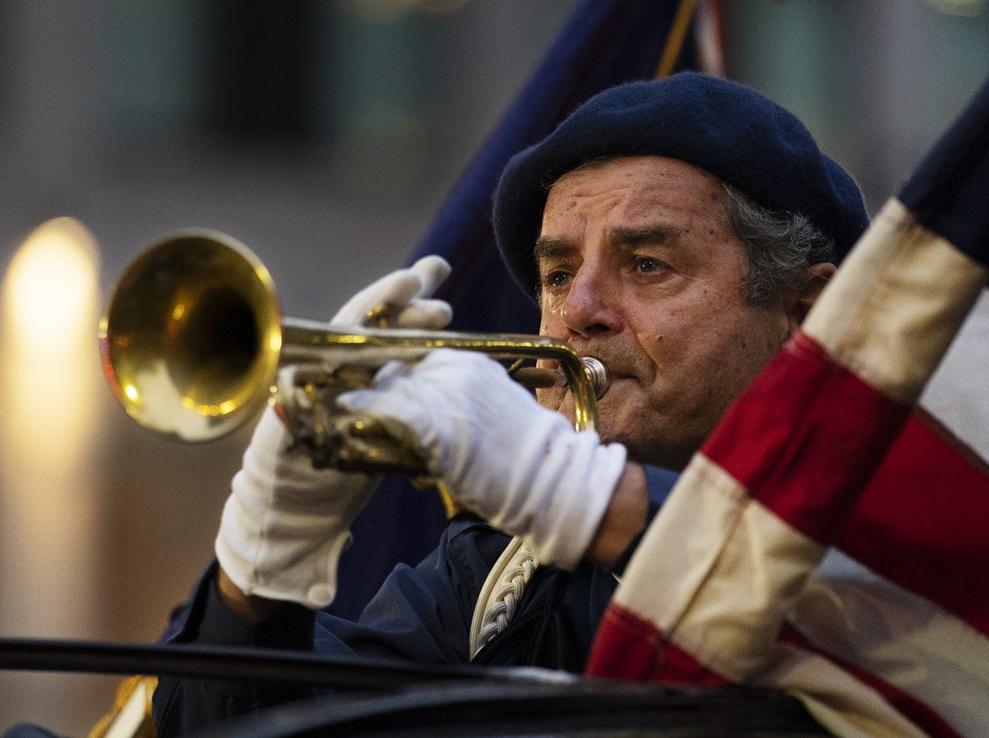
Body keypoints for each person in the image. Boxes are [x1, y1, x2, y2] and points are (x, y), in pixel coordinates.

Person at [151, 72, 869, 736]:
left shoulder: (896, 520)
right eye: (558, 274)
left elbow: (842, 622)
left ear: (804, 316)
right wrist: (259, 569)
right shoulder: (497, 569)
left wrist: (572, 492)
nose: (576, 311)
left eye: (647, 265)